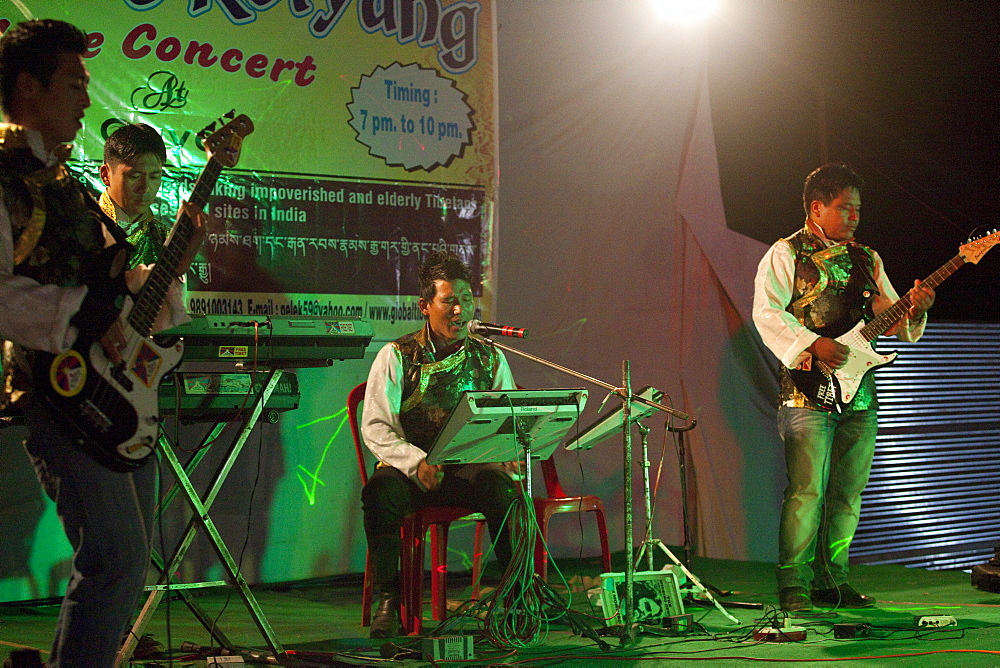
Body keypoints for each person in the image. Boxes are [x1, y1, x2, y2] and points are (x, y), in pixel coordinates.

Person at [0, 19, 189, 665]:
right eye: (75, 82)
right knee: (116, 560)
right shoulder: (4, 182)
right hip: (58, 394)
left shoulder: (67, 187)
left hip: (104, 386)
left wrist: (157, 279)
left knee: (124, 563)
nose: (86, 97)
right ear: (29, 86)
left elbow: (108, 281)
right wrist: (88, 309)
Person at [752, 164, 935, 613]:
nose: (854, 216)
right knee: (807, 491)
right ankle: (793, 582)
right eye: (844, 208)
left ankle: (833, 580)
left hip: (860, 390)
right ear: (817, 207)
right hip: (808, 390)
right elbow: (767, 313)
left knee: (848, 491)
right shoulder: (786, 253)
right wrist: (812, 341)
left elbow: (889, 317)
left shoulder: (866, 258)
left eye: (857, 209)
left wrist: (913, 310)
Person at [360, 251, 519, 638]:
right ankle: (389, 600)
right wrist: (416, 463)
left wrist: (502, 456)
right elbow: (376, 426)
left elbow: (507, 419)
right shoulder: (396, 355)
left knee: (505, 492)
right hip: (413, 474)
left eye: (466, 300)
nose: (460, 310)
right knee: (379, 495)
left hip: (466, 473)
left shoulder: (491, 357)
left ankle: (515, 598)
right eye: (450, 300)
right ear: (425, 306)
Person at [99, 122, 170, 267]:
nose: (145, 188)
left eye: (154, 177)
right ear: (106, 175)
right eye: (134, 176)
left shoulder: (165, 239)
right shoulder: (85, 226)